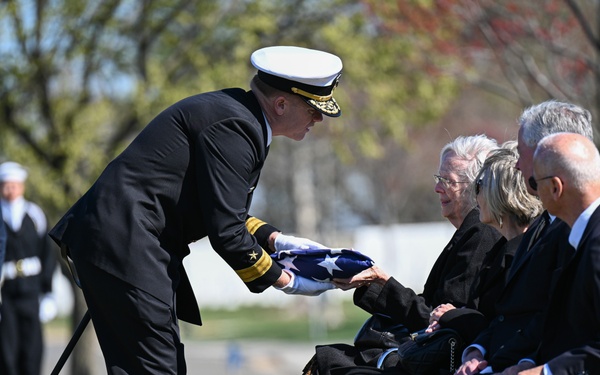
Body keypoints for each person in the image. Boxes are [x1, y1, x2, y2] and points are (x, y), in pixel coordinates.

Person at [48, 45, 344, 374]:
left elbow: (223, 211)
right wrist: (287, 280)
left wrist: (275, 240)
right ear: (281, 103)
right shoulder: (236, 128)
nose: (318, 118)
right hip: (126, 243)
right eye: (314, 109)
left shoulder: (239, 116)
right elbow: (227, 232)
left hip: (122, 241)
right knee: (157, 369)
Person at [305, 134, 502, 375]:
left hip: (448, 363)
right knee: (331, 359)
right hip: (430, 356)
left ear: (476, 187)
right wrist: (375, 283)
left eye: (447, 180)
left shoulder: (481, 234)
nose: (437, 188)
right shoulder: (472, 232)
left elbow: (441, 321)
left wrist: (381, 282)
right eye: (438, 178)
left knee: (330, 363)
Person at [455, 100, 594, 375]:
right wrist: (478, 351)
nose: (517, 165)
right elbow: (512, 316)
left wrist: (536, 367)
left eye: (522, 152)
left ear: (552, 152)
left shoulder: (582, 232)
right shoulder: (548, 225)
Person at [503, 132, 600, 374]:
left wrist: (546, 371)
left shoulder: (596, 245)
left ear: (556, 188)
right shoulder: (580, 235)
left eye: (535, 183)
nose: (531, 191)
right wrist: (528, 363)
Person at [427, 141, 543, 336]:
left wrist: (452, 316)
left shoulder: (533, 252)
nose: (475, 193)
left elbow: (511, 327)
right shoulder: (500, 250)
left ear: (502, 192)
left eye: (480, 185)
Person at [0, 161, 57, 375]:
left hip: (31, 294)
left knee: (32, 352)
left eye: (14, 185)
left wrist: (48, 293)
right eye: (5, 185)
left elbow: (47, 256)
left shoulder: (35, 215)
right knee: (6, 354)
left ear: (22, 186)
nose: (10, 189)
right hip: (4, 297)